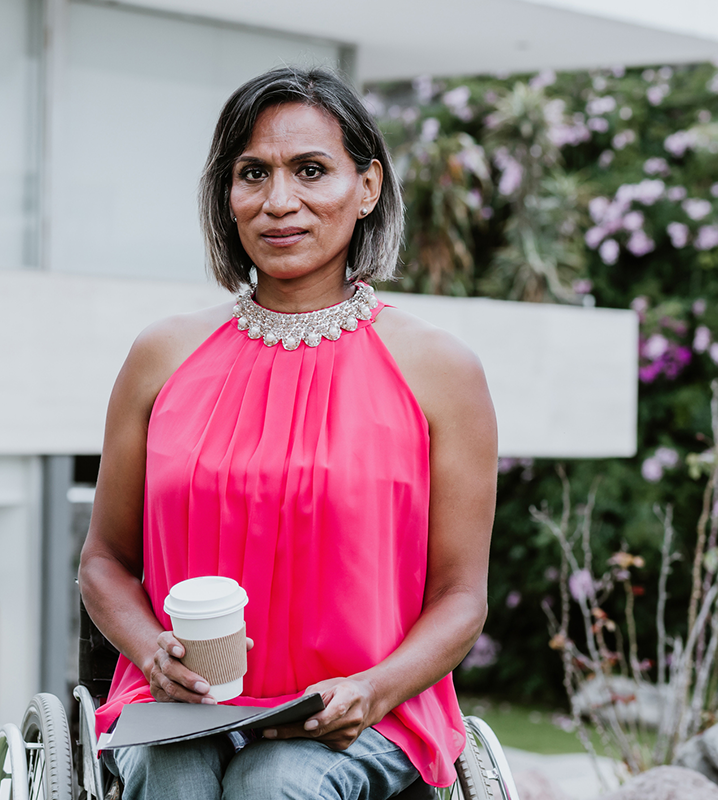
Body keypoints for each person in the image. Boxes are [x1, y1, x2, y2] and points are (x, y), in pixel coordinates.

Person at [77, 65, 498, 799]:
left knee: (275, 783)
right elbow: (105, 561)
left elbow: (461, 598)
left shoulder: (439, 371)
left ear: (367, 188)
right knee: (171, 777)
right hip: (180, 707)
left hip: (368, 709)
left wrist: (372, 687)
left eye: (311, 170)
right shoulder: (161, 357)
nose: (279, 202)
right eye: (253, 174)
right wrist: (150, 653)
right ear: (227, 196)